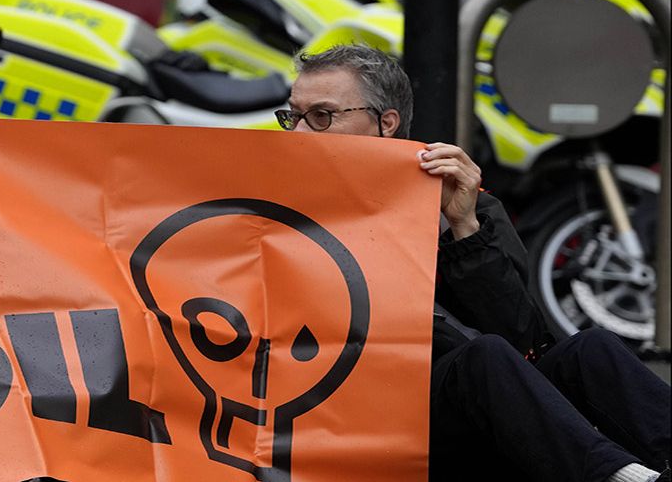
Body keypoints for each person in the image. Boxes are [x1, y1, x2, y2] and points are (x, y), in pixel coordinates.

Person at [282, 44, 667, 482]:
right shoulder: (267, 206)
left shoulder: (461, 204)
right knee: (481, 358)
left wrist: (462, 227)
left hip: (472, 399)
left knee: (589, 348)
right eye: (292, 115)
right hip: (353, 406)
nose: (299, 133)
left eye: (322, 116)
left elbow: (523, 338)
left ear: (385, 123)